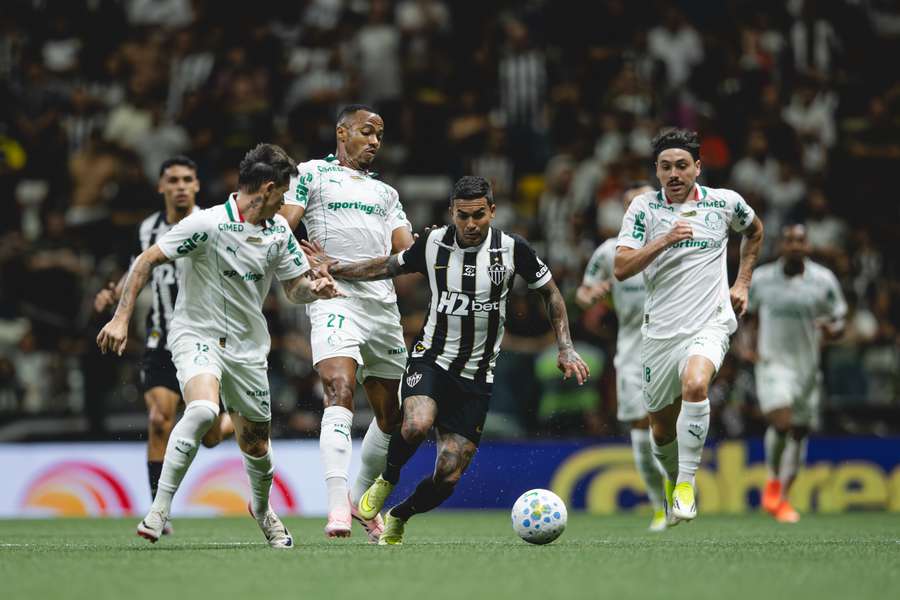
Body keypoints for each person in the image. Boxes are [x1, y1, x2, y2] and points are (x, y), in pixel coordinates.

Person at [305, 175, 590, 544]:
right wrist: (336, 267)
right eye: (463, 216)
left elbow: (550, 294)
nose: (471, 225)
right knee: (415, 424)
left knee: (449, 473)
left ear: (492, 211)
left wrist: (565, 346)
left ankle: (400, 514)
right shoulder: (433, 243)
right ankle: (386, 479)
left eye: (478, 216)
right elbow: (386, 266)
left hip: (477, 375)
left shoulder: (512, 249)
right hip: (432, 360)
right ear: (452, 213)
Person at [97, 143, 342, 548]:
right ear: (266, 188)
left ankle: (263, 510)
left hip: (248, 349)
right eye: (282, 194)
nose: (285, 203)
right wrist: (121, 318)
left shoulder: (279, 231)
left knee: (256, 445)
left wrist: (316, 289)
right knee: (203, 409)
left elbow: (294, 289)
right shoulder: (207, 224)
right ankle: (158, 511)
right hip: (196, 334)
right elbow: (145, 261)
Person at [615, 128, 764, 525]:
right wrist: (662, 241)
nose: (674, 174)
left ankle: (685, 486)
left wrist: (743, 282)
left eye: (682, 165)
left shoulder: (724, 202)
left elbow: (755, 231)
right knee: (661, 431)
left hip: (710, 323)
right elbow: (621, 267)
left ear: (698, 167)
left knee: (696, 384)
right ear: (657, 171)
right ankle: (670, 482)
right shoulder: (643, 209)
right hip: (660, 333)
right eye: (666, 167)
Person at [280, 104, 413, 541]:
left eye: (379, 134)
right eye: (366, 131)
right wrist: (305, 266)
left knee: (392, 417)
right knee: (339, 389)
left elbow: (405, 255)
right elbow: (283, 227)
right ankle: (337, 506)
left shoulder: (387, 194)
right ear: (342, 131)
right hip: (333, 296)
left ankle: (358, 498)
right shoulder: (311, 173)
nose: (374, 140)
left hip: (382, 307)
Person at [94, 156, 234, 535]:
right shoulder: (148, 229)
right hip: (161, 339)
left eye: (188, 179)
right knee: (159, 419)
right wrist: (115, 293)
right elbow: (141, 265)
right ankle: (160, 508)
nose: (180, 186)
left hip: (205, 338)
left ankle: (234, 421)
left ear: (197, 186)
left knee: (208, 437)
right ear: (161, 187)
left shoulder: (212, 222)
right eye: (172, 180)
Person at [576, 181, 668, 532]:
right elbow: (583, 294)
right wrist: (592, 295)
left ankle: (681, 484)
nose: (636, 210)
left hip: (674, 345)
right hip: (632, 350)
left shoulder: (672, 246)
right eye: (630, 204)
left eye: (642, 203)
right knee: (641, 428)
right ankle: (661, 507)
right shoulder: (609, 252)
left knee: (669, 423)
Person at [748, 223, 846, 523]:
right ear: (780, 246)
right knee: (782, 421)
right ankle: (773, 480)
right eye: (788, 241)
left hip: (807, 368)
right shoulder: (762, 279)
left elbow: (840, 318)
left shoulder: (823, 280)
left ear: (808, 246)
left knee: (800, 432)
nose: (794, 246)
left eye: (799, 241)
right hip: (772, 363)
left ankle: (781, 498)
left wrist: (834, 329)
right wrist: (746, 348)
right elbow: (746, 315)